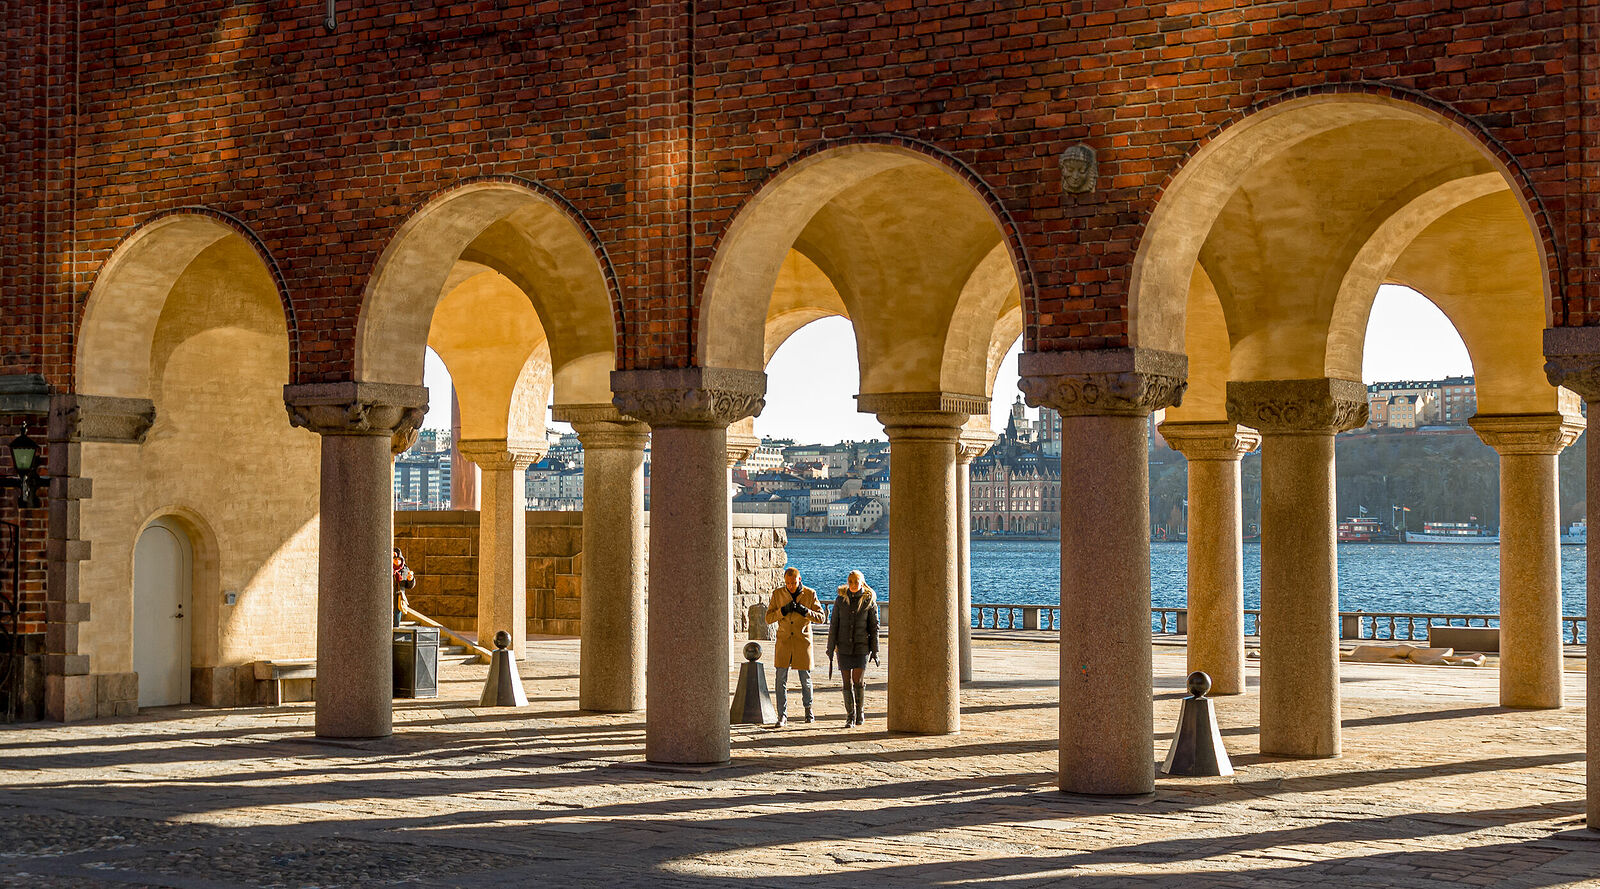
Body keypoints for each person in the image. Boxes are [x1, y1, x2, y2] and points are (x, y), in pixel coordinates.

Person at [765, 566, 824, 727]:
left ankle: (808, 710)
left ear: (799, 580)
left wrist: (805, 611)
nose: (790, 585)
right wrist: (782, 611)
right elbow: (768, 618)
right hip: (784, 643)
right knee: (780, 680)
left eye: (793, 583)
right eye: (788, 583)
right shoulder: (778, 594)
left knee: (805, 679)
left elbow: (821, 618)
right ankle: (782, 715)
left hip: (802, 642)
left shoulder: (810, 594)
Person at [826, 569, 879, 727]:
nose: (854, 585)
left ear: (862, 582)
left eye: (856, 581)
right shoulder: (840, 600)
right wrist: (830, 648)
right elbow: (834, 625)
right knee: (846, 682)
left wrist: (875, 651)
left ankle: (860, 711)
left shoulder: (869, 601)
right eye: (851, 582)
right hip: (843, 648)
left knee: (858, 680)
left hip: (861, 647)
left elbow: (874, 627)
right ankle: (850, 715)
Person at [392, 547, 416, 627]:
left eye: (399, 558)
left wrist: (410, 579)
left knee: (397, 614)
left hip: (398, 598)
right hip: (387, 597)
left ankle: (396, 629)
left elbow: (409, 586)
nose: (397, 560)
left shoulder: (405, 569)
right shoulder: (387, 568)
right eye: (394, 558)